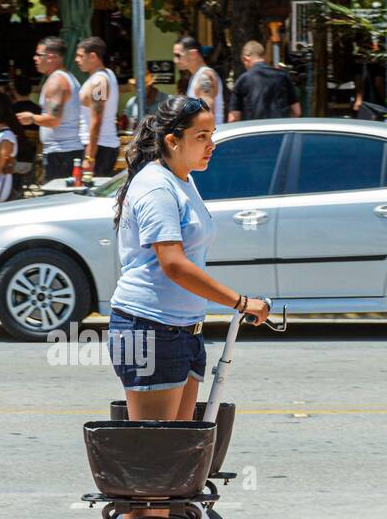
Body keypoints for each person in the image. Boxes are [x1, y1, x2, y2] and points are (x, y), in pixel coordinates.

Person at [107, 96, 270, 430]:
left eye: (212, 135)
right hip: (150, 328)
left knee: (178, 451)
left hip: (184, 330)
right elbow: (174, 264)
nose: (211, 145)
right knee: (156, 455)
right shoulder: (156, 187)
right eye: (201, 137)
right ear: (172, 140)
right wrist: (239, 302)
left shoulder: (182, 178)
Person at [17, 36, 82, 181]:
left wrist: (31, 118)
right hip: (65, 153)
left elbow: (53, 120)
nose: (35, 58)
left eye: (39, 55)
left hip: (61, 155)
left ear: (51, 57)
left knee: (57, 200)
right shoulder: (67, 77)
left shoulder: (56, 82)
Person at [75, 37, 121, 177]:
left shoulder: (99, 82)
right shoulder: (106, 75)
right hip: (100, 146)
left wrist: (90, 157)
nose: (77, 60)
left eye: (80, 56)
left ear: (93, 56)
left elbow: (96, 121)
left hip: (99, 148)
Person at [228, 40, 300, 122]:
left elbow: (233, 118)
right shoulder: (283, 76)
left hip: (254, 132)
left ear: (246, 59)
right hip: (280, 131)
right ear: (263, 57)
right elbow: (297, 111)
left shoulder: (242, 80)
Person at [172, 37, 223, 125]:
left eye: (178, 55)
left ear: (193, 54)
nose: (175, 60)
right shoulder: (196, 76)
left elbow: (207, 114)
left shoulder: (204, 76)